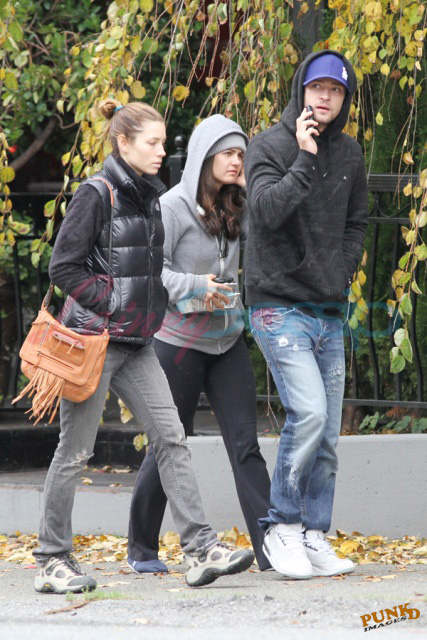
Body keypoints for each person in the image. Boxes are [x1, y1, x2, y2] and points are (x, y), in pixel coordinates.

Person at [33, 100, 254, 594]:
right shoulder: (97, 194)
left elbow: (152, 273)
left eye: (161, 142)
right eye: (151, 143)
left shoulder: (151, 197)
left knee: (172, 438)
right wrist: (111, 301)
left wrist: (166, 301)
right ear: (124, 143)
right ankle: (52, 558)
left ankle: (201, 549)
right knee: (75, 450)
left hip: (137, 343)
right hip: (94, 343)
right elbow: (63, 267)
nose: (160, 151)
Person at [127, 114, 272, 573]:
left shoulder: (238, 202)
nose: (236, 161)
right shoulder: (171, 206)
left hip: (228, 342)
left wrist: (253, 188)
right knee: (170, 442)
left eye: (241, 154)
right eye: (228, 153)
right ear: (205, 157)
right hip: (179, 344)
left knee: (246, 445)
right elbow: (153, 270)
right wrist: (195, 286)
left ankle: (270, 549)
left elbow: (268, 239)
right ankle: (142, 548)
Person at [244, 51, 368, 579]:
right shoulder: (267, 146)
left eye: (335, 91)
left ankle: (315, 533)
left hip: (327, 308)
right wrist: (303, 155)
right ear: (301, 90)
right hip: (277, 305)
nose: (325, 97)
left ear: (344, 100)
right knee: (310, 414)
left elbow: (357, 223)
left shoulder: (351, 154)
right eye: (317, 88)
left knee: (329, 435)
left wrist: (340, 272)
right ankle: (282, 527)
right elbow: (266, 212)